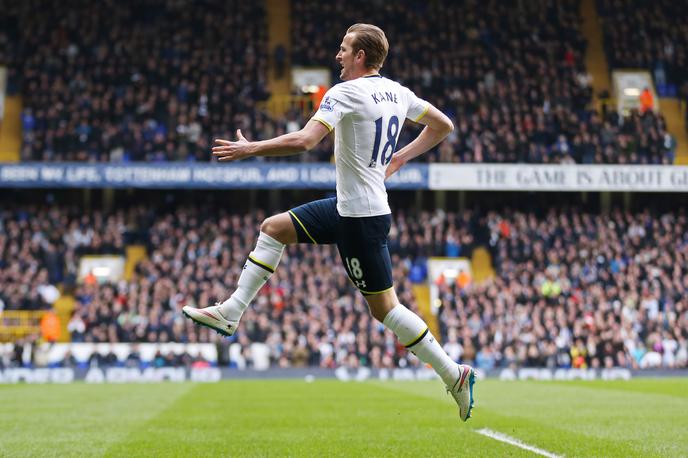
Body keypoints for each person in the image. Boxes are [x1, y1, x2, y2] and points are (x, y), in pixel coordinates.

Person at [183, 23, 476, 422]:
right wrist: (401, 158)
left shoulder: (346, 92)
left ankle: (453, 373)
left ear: (360, 57)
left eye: (343, 49)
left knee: (386, 310)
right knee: (273, 228)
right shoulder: (398, 92)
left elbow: (306, 140)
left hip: (360, 219)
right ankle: (231, 311)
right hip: (347, 207)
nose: (337, 56)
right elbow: (444, 126)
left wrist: (251, 148)